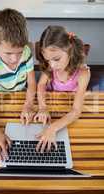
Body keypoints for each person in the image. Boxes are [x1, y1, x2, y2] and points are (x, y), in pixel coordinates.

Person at [0, 8, 36, 161]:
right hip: (0, 100)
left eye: (19, 52)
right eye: (9, 53)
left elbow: (31, 83)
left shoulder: (27, 52)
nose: (15, 59)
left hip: (21, 97)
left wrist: (29, 104)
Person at [34, 25, 90, 153]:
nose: (52, 65)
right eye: (48, 60)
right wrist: (42, 107)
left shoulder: (83, 73)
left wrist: (52, 128)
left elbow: (76, 111)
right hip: (54, 105)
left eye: (56, 59)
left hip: (68, 112)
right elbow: (41, 85)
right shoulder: (50, 66)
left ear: (70, 51)